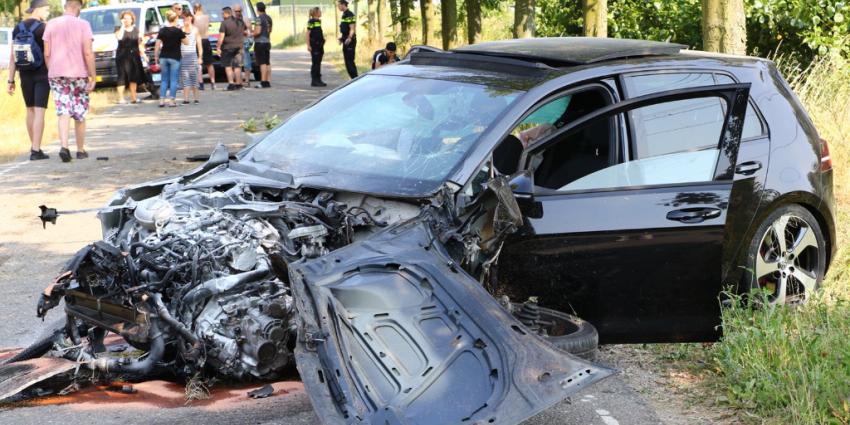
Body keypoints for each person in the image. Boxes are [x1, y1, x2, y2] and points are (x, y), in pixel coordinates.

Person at [42, 0, 95, 162]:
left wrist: (52, 69)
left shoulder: (50, 24)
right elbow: (88, 53)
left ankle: (64, 146)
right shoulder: (84, 25)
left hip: (57, 74)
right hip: (79, 73)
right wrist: (92, 75)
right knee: (79, 112)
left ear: (65, 6)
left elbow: (47, 53)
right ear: (77, 6)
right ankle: (80, 149)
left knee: (63, 110)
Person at [6, 0, 50, 160]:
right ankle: (36, 150)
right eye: (45, 10)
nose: (47, 13)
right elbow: (47, 54)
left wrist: (10, 81)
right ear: (37, 10)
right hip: (42, 74)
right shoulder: (44, 28)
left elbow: (12, 57)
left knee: (30, 110)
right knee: (40, 111)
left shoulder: (18, 28)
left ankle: (35, 147)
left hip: (24, 74)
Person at [154, 10, 187, 107]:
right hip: (175, 57)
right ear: (176, 19)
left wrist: (156, 57)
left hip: (163, 57)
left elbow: (157, 45)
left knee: (164, 80)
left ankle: (161, 100)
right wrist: (182, 34)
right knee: (173, 80)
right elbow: (186, 42)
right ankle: (172, 101)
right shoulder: (178, 31)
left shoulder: (162, 30)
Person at [114, 10, 145, 104]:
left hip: (134, 56)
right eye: (125, 18)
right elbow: (119, 37)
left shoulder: (136, 29)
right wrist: (122, 26)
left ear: (132, 20)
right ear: (122, 20)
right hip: (122, 56)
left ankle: (133, 98)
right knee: (121, 77)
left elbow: (140, 43)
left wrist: (143, 54)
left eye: (129, 18)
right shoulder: (118, 29)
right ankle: (121, 98)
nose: (127, 20)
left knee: (133, 77)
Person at [216, 6, 244, 90]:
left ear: (226, 13)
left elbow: (221, 37)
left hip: (227, 47)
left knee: (228, 66)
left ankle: (231, 84)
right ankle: (238, 84)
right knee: (237, 66)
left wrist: (218, 47)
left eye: (222, 13)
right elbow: (244, 32)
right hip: (239, 46)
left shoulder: (224, 23)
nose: (221, 15)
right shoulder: (240, 21)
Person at [180, 11, 202, 104]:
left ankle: (196, 98)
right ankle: (186, 99)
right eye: (184, 18)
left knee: (194, 77)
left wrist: (200, 57)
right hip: (183, 56)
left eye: (188, 18)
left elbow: (199, 44)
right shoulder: (181, 29)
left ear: (191, 18)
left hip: (192, 56)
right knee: (185, 78)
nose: (186, 20)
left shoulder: (195, 30)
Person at [193, 2, 215, 90]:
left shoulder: (193, 18)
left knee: (199, 63)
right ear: (201, 8)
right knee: (210, 63)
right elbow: (208, 25)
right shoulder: (207, 17)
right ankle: (213, 82)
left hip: (197, 40)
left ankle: (201, 83)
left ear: (194, 8)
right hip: (206, 39)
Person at [253, 2, 272, 88]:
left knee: (262, 63)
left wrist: (250, 34)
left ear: (257, 9)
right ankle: (268, 81)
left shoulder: (258, 19)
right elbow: (270, 30)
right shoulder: (269, 18)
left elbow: (257, 31)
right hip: (267, 41)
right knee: (267, 62)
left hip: (260, 42)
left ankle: (263, 82)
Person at [305, 7, 325, 87]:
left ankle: (319, 79)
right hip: (314, 45)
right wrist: (308, 45)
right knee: (315, 63)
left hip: (320, 45)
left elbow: (317, 32)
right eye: (320, 11)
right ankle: (314, 80)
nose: (321, 12)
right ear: (316, 13)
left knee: (318, 63)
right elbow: (308, 34)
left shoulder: (318, 21)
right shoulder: (311, 21)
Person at [337, 0, 356, 79]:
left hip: (350, 41)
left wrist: (349, 38)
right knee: (347, 62)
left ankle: (355, 79)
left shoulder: (350, 14)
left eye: (339, 5)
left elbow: (352, 28)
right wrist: (342, 39)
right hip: (345, 39)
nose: (338, 7)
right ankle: (353, 79)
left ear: (343, 5)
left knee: (350, 61)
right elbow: (345, 29)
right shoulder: (344, 14)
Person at [233, 4, 252, 84]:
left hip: (244, 43)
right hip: (235, 43)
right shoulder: (232, 19)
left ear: (242, 11)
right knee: (237, 63)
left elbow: (249, 32)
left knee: (246, 62)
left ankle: (247, 80)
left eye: (239, 11)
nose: (237, 13)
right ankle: (238, 81)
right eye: (236, 11)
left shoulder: (245, 19)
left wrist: (243, 31)